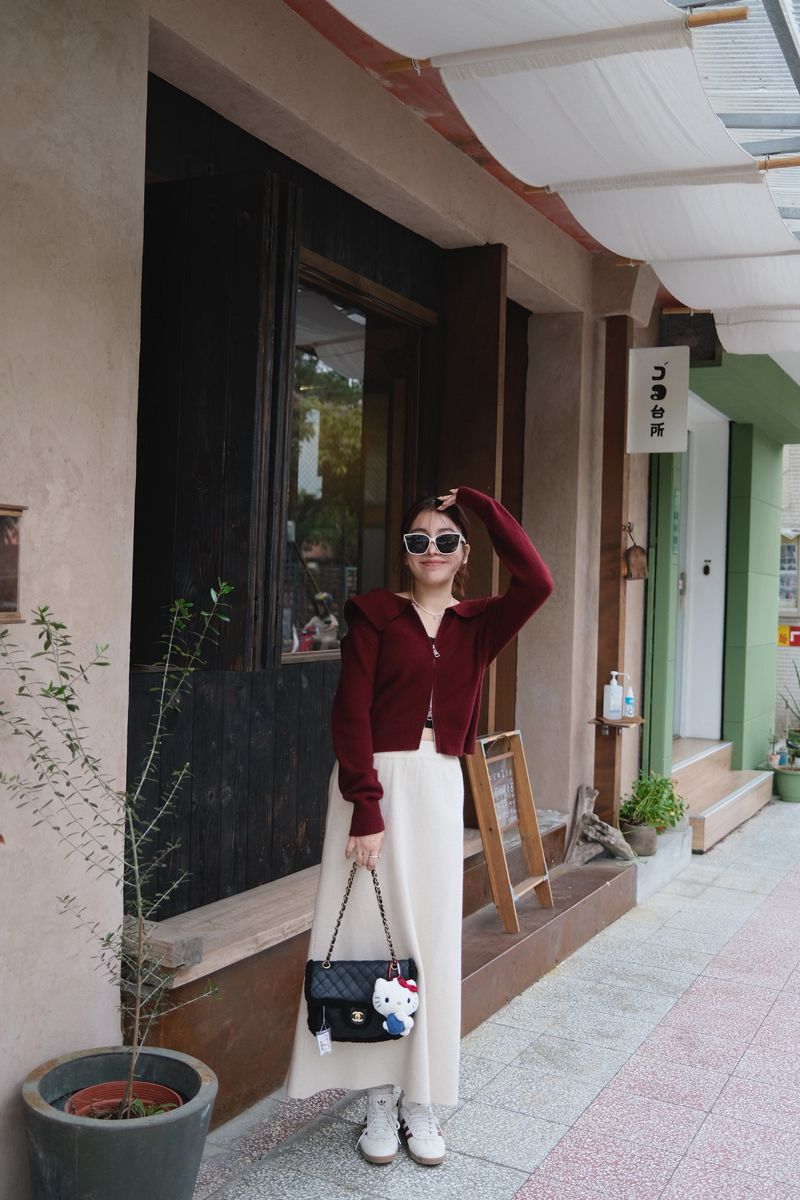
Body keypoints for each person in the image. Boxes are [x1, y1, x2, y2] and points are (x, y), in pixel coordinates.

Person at [286, 485, 553, 1166]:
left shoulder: (480, 622)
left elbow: (538, 579)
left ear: (464, 554)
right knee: (372, 938)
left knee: (429, 943)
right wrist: (366, 807)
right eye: (418, 540)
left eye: (445, 539)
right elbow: (350, 714)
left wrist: (479, 505)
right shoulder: (376, 616)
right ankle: (377, 1098)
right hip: (371, 785)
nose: (431, 550)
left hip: (437, 785)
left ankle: (420, 1101)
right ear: (404, 553)